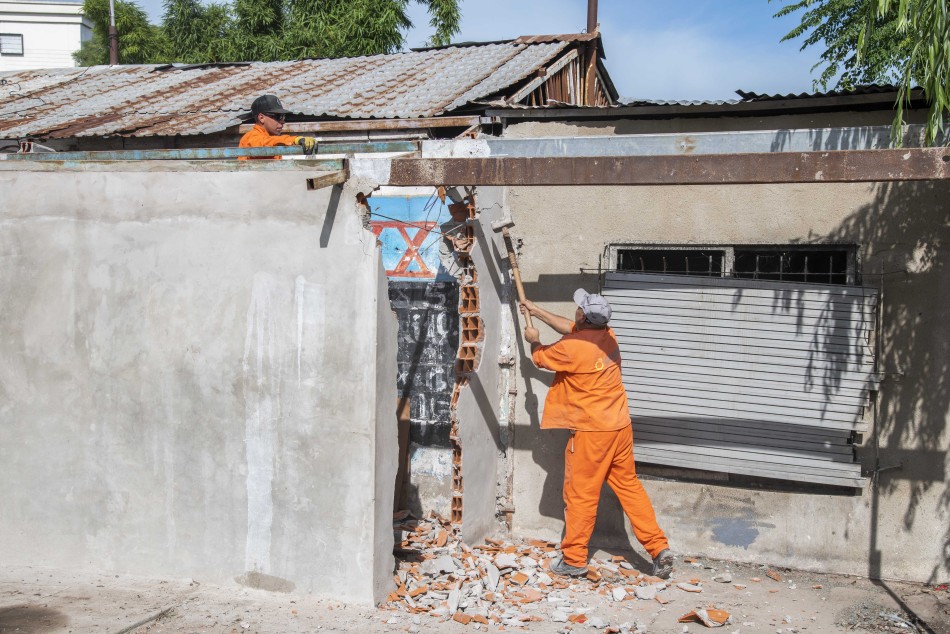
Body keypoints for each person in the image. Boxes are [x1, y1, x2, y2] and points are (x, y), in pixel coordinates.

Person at [521, 289, 674, 579]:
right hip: (619, 427)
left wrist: (534, 339)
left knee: (580, 494)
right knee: (629, 487)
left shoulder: (572, 349)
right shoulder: (608, 335)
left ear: (583, 316)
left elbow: (540, 358)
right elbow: (571, 329)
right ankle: (658, 548)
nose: (575, 310)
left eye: (578, 308)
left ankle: (574, 559)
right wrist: (536, 309)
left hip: (592, 433)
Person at [239, 94, 317, 160]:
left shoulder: (273, 139)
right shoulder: (251, 137)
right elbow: (264, 143)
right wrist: (295, 140)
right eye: (278, 116)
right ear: (261, 118)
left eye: (283, 117)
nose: (283, 121)